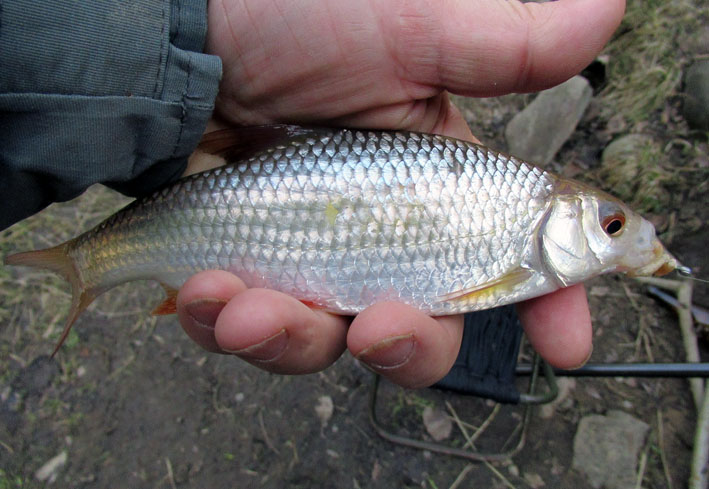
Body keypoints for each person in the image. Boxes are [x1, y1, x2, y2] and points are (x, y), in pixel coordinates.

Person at [1, 0, 626, 389]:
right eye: (611, 225)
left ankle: (90, 261)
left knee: (280, 322)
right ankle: (86, 263)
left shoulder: (513, 208)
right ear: (562, 216)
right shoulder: (519, 219)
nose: (616, 235)